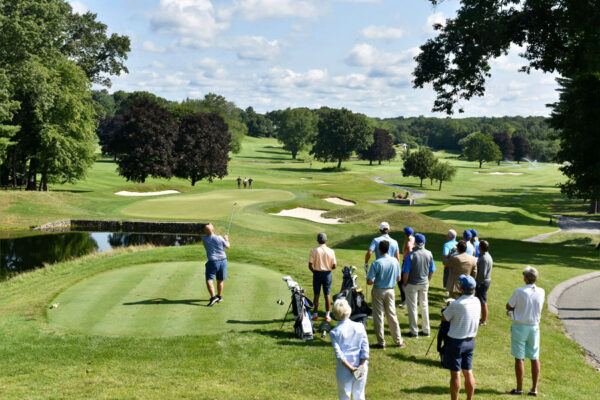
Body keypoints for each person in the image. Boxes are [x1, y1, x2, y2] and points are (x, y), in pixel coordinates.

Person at [506, 266, 545, 397]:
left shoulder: (519, 291)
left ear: (526, 278)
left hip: (520, 326)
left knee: (519, 357)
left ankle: (519, 388)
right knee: (534, 357)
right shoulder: (541, 291)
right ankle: (534, 389)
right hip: (534, 327)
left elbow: (509, 305)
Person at [442, 275, 481, 400]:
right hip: (470, 341)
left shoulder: (457, 304)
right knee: (468, 371)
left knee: (455, 374)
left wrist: (448, 306)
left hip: (456, 342)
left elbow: (445, 317)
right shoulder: (477, 301)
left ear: (461, 287)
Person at [366, 240, 405, 349]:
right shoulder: (395, 261)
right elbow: (399, 278)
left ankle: (381, 342)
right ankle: (398, 341)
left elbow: (369, 281)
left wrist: (373, 279)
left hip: (378, 290)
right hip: (390, 291)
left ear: (379, 250)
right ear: (388, 249)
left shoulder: (376, 263)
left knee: (378, 316)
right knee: (392, 315)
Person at [330, 298, 369, 400]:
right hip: (360, 365)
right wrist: (360, 366)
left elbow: (339, 355)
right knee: (359, 395)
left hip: (344, 369)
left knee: (344, 396)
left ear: (335, 314)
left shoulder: (335, 332)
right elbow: (365, 349)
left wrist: (352, 369)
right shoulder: (360, 326)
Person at [402, 233, 435, 337]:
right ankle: (426, 330)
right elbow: (432, 270)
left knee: (412, 307)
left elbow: (406, 272)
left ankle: (414, 331)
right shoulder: (429, 253)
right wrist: (428, 280)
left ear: (415, 243)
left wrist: (405, 283)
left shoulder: (411, 255)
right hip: (424, 283)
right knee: (424, 306)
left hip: (412, 283)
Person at [364, 222, 404, 307]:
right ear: (388, 230)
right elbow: (397, 258)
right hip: (391, 267)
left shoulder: (376, 240)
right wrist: (398, 271)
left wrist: (366, 263)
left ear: (380, 230)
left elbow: (369, 253)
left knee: (379, 289)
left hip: (379, 267)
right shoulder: (395, 242)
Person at [309, 232, 337, 322]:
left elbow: (310, 265)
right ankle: (327, 315)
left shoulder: (314, 250)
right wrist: (330, 268)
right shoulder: (331, 251)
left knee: (316, 295)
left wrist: (314, 271)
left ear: (318, 240)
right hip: (327, 274)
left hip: (317, 273)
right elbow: (334, 265)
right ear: (326, 240)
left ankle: (315, 315)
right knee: (327, 295)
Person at [201, 223, 230, 307]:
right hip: (223, 261)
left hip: (213, 262)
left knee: (209, 280)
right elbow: (227, 246)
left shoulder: (204, 239)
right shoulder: (220, 238)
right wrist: (226, 239)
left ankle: (213, 297)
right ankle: (219, 297)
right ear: (213, 230)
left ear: (205, 232)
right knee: (220, 280)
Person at [475, 240, 492, 326]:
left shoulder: (484, 258)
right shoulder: (487, 256)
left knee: (482, 301)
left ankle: (484, 320)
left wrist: (478, 283)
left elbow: (482, 273)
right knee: (480, 300)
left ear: (480, 247)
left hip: (482, 282)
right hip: (485, 281)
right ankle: (481, 318)